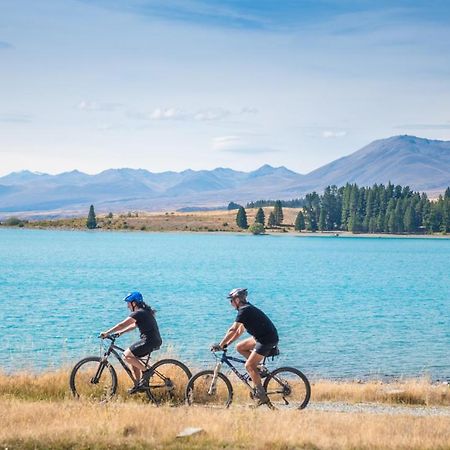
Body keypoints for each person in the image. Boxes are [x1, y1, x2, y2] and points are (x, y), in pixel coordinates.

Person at [212, 288, 279, 404]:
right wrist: (226, 344)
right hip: (261, 337)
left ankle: (261, 395)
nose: (230, 303)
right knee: (240, 347)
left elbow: (233, 329)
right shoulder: (246, 309)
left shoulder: (244, 310)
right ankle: (259, 369)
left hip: (266, 339)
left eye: (231, 300)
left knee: (249, 366)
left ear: (237, 300)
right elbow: (238, 331)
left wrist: (220, 345)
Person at [100, 291, 162, 393]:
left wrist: (107, 333)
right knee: (132, 357)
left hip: (149, 341)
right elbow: (134, 325)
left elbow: (122, 324)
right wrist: (120, 333)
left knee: (126, 355)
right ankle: (138, 385)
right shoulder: (144, 312)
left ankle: (147, 372)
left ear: (134, 303)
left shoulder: (139, 313)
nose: (127, 306)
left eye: (128, 303)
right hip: (153, 340)